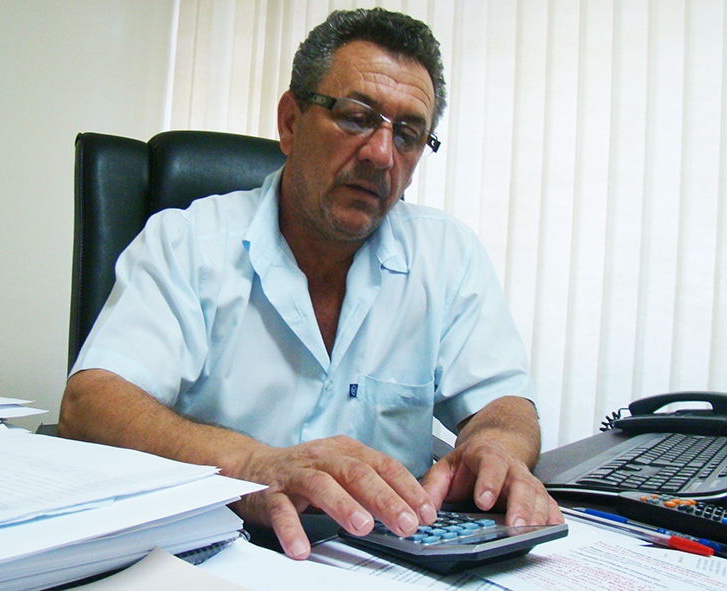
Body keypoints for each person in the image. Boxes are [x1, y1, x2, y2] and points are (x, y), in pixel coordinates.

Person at [59, 7, 562, 561]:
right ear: (291, 122)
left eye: (408, 135)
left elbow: (506, 405)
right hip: (214, 555)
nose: (381, 155)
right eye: (356, 117)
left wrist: (497, 446)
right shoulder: (187, 243)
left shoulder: (447, 255)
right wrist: (251, 467)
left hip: (384, 561)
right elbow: (91, 404)